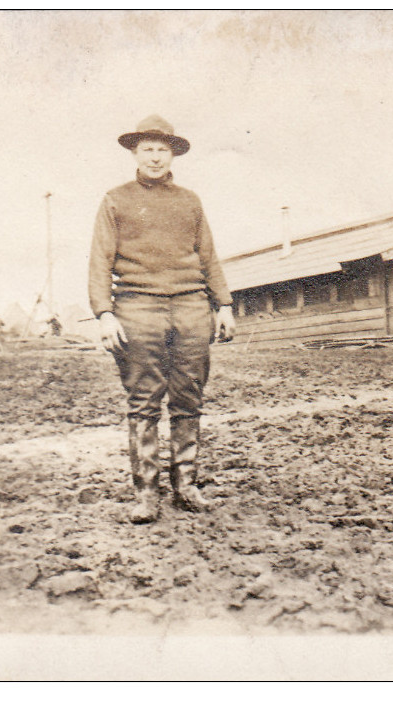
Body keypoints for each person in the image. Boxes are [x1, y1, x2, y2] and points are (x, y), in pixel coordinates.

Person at [88, 115, 236, 524]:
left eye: (163, 149)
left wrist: (223, 304)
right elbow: (100, 260)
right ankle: (147, 494)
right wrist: (104, 313)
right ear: (135, 153)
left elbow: (208, 254)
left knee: (189, 397)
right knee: (144, 401)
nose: (155, 157)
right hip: (137, 308)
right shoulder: (115, 199)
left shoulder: (190, 200)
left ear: (173, 154)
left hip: (190, 306)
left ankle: (186, 487)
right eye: (148, 149)